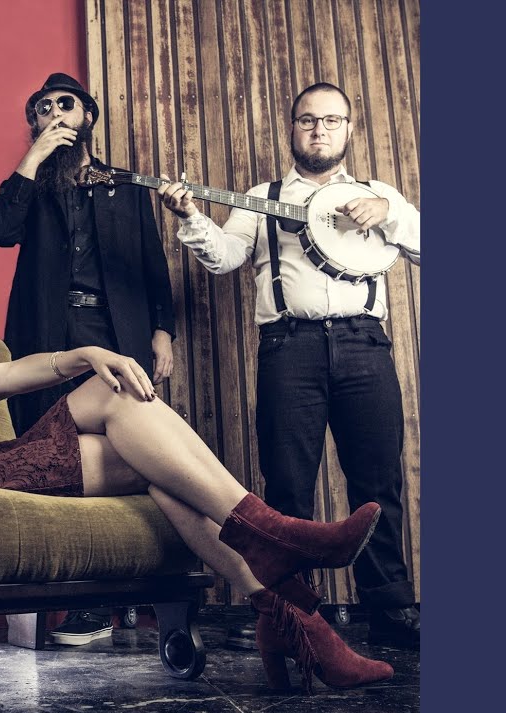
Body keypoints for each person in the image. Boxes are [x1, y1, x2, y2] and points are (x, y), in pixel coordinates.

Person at [0, 240, 393, 693]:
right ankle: (279, 549)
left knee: (146, 446)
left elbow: (19, 373)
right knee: (133, 424)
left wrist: (87, 352)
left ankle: (280, 608)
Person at [156, 82, 422, 649]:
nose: (319, 129)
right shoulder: (262, 197)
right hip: (288, 348)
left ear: (348, 129)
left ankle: (391, 609)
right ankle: (292, 611)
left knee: (379, 481)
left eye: (331, 120)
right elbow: (224, 259)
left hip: (364, 345)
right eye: (308, 120)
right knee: (287, 484)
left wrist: (391, 215)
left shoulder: (380, 194)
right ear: (293, 128)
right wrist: (192, 215)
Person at [0, 72, 176, 644]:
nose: (54, 114)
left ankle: (128, 593)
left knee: (129, 451)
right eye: (42, 109)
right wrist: (33, 158)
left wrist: (162, 331)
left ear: (88, 115)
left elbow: (152, 262)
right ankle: (77, 598)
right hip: (49, 334)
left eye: (65, 104)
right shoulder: (33, 187)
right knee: (57, 453)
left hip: (117, 330)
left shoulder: (125, 185)